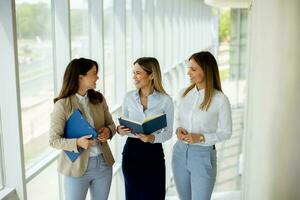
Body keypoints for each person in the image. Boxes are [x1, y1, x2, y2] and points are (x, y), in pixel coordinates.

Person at [49, 58, 116, 200]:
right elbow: (54, 140)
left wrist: (108, 131)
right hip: (76, 168)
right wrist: (77, 143)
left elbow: (111, 125)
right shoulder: (62, 105)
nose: (97, 77)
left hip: (103, 164)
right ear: (80, 77)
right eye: (94, 73)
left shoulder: (98, 98)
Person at [172, 51, 232, 200]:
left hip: (203, 156)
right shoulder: (183, 94)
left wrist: (201, 137)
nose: (188, 73)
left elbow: (226, 132)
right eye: (189, 68)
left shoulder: (220, 100)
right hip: (179, 153)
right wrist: (178, 129)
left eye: (193, 69)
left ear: (206, 70)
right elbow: (178, 119)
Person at [117, 57, 174, 200]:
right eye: (133, 73)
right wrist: (120, 130)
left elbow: (168, 133)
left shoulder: (165, 100)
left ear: (152, 75)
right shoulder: (128, 97)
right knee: (133, 196)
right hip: (132, 153)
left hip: (153, 154)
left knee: (155, 195)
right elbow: (124, 123)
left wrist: (152, 137)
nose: (134, 77)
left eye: (138, 73)